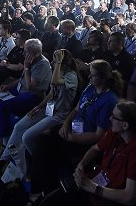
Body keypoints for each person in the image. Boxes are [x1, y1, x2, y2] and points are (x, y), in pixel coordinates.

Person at [26, 60, 122, 203]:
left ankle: (41, 190)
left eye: (93, 75)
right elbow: (76, 109)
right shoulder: (91, 87)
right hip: (72, 128)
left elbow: (98, 135)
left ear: (103, 78)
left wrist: (72, 138)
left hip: (84, 139)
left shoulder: (109, 100)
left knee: (48, 149)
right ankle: (40, 186)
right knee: (42, 138)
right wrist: (65, 124)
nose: (89, 77)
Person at [41, 100, 136, 206]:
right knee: (49, 201)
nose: (110, 118)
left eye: (114, 117)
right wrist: (81, 165)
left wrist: (93, 187)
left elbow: (129, 197)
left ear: (125, 125)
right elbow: (95, 148)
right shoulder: (114, 134)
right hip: (91, 185)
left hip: (102, 199)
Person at [2, 49, 80, 179]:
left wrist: (58, 62)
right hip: (48, 109)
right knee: (18, 126)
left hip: (59, 115)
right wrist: (37, 108)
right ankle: (5, 158)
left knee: (26, 137)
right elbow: (51, 94)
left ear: (63, 63)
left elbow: (54, 82)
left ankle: (38, 163)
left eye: (55, 61)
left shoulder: (71, 76)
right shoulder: (59, 71)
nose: (53, 62)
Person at [0, 38, 52, 154]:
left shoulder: (42, 64)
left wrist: (26, 67)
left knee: (2, 106)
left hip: (33, 96)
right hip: (20, 90)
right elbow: (22, 80)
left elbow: (30, 86)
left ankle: (2, 142)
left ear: (33, 53)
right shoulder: (30, 60)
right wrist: (9, 86)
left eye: (26, 51)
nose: (23, 53)